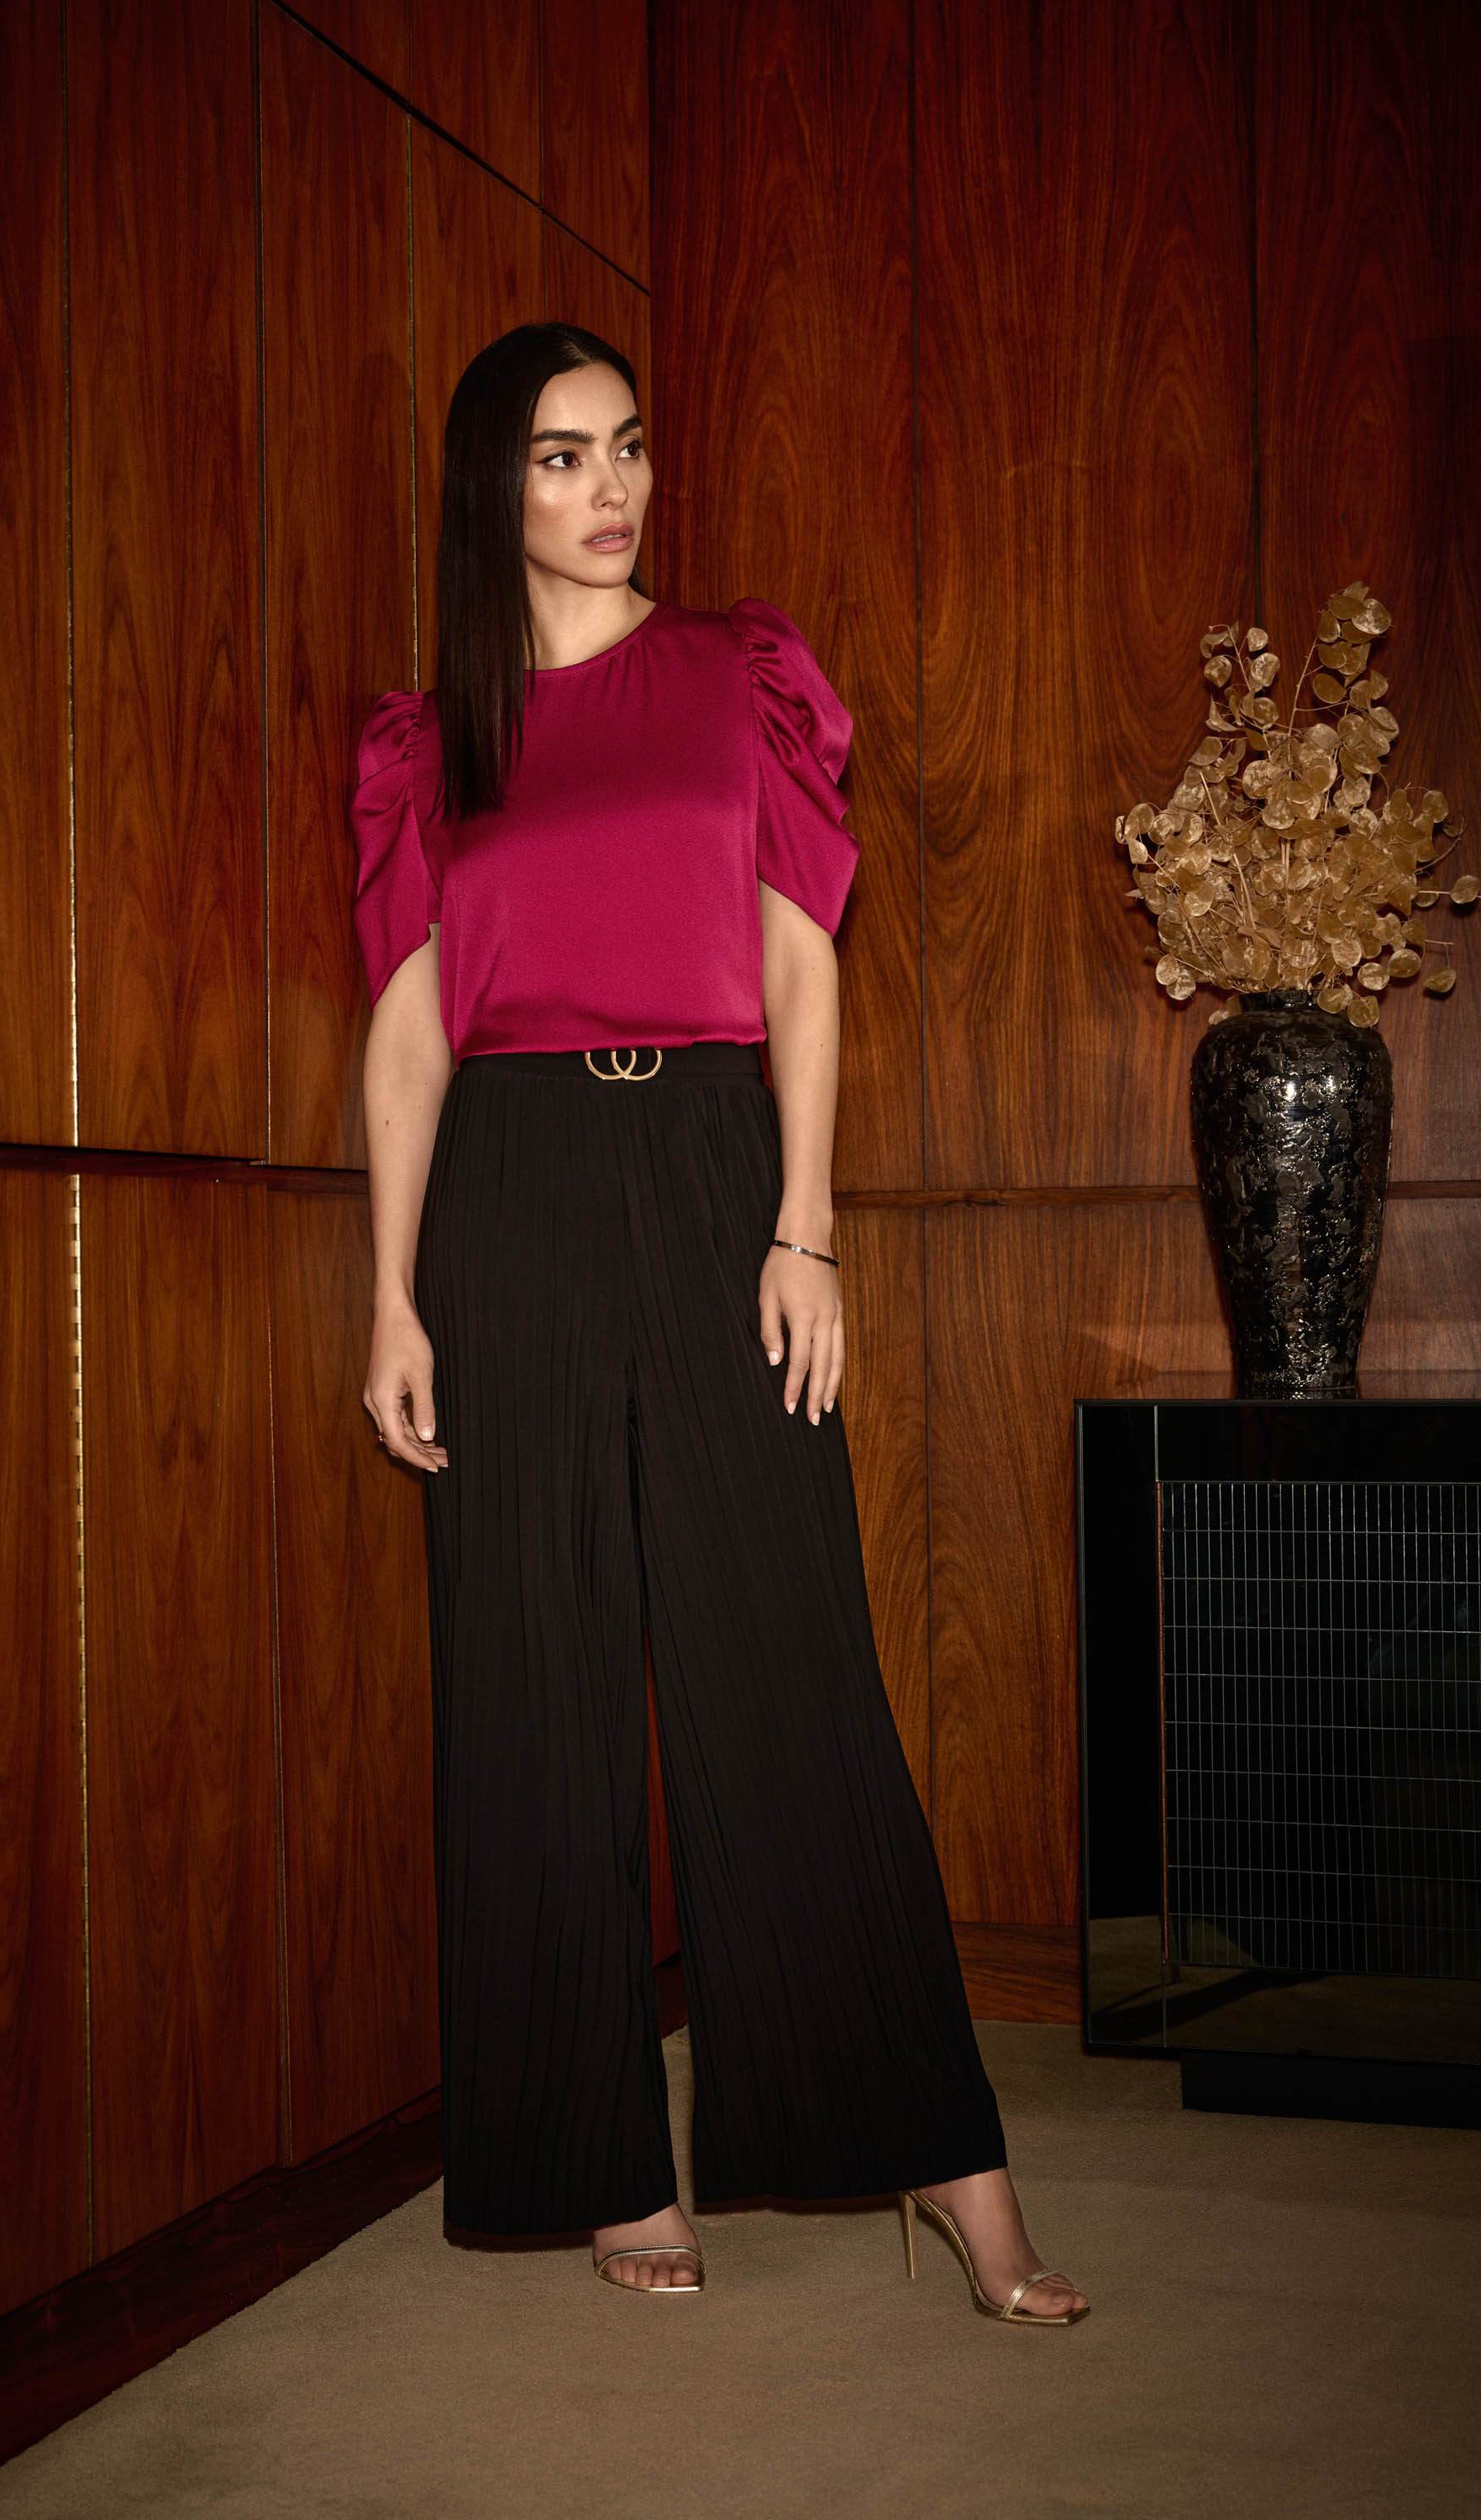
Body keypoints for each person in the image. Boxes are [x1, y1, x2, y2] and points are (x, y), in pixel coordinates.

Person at [349, 322, 1089, 2323]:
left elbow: (800, 961)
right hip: (505, 1191)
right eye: (560, 456)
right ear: (489, 488)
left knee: (791, 1661)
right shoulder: (429, 740)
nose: (610, 488)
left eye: (628, 446)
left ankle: (946, 2160)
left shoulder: (732, 671)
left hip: (706, 1162)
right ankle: (596, 2158)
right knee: (532, 1676)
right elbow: (408, 1035)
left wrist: (804, 1226)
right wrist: (391, 1294)